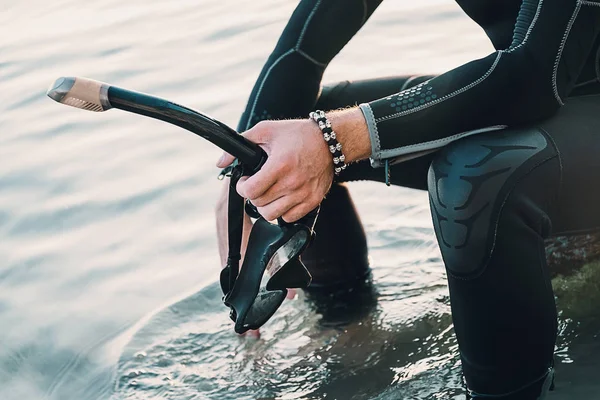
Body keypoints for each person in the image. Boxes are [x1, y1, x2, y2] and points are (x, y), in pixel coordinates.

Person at [215, 0, 600, 398]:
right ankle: (347, 335)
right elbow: (304, 47)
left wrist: (334, 139)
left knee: (477, 171)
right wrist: (245, 178)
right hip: (557, 106)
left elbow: (535, 76)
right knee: (296, 133)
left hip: (549, 92)